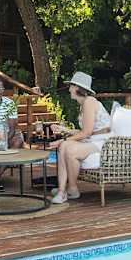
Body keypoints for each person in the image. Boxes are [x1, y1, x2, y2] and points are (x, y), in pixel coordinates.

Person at [48, 71, 111, 204]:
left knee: (69, 149)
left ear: (77, 88)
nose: (69, 89)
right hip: (93, 139)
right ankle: (62, 190)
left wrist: (63, 139)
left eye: (71, 86)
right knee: (64, 146)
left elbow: (87, 132)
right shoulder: (83, 104)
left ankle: (72, 189)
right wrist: (65, 130)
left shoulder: (89, 102)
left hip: (103, 142)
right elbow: (87, 131)